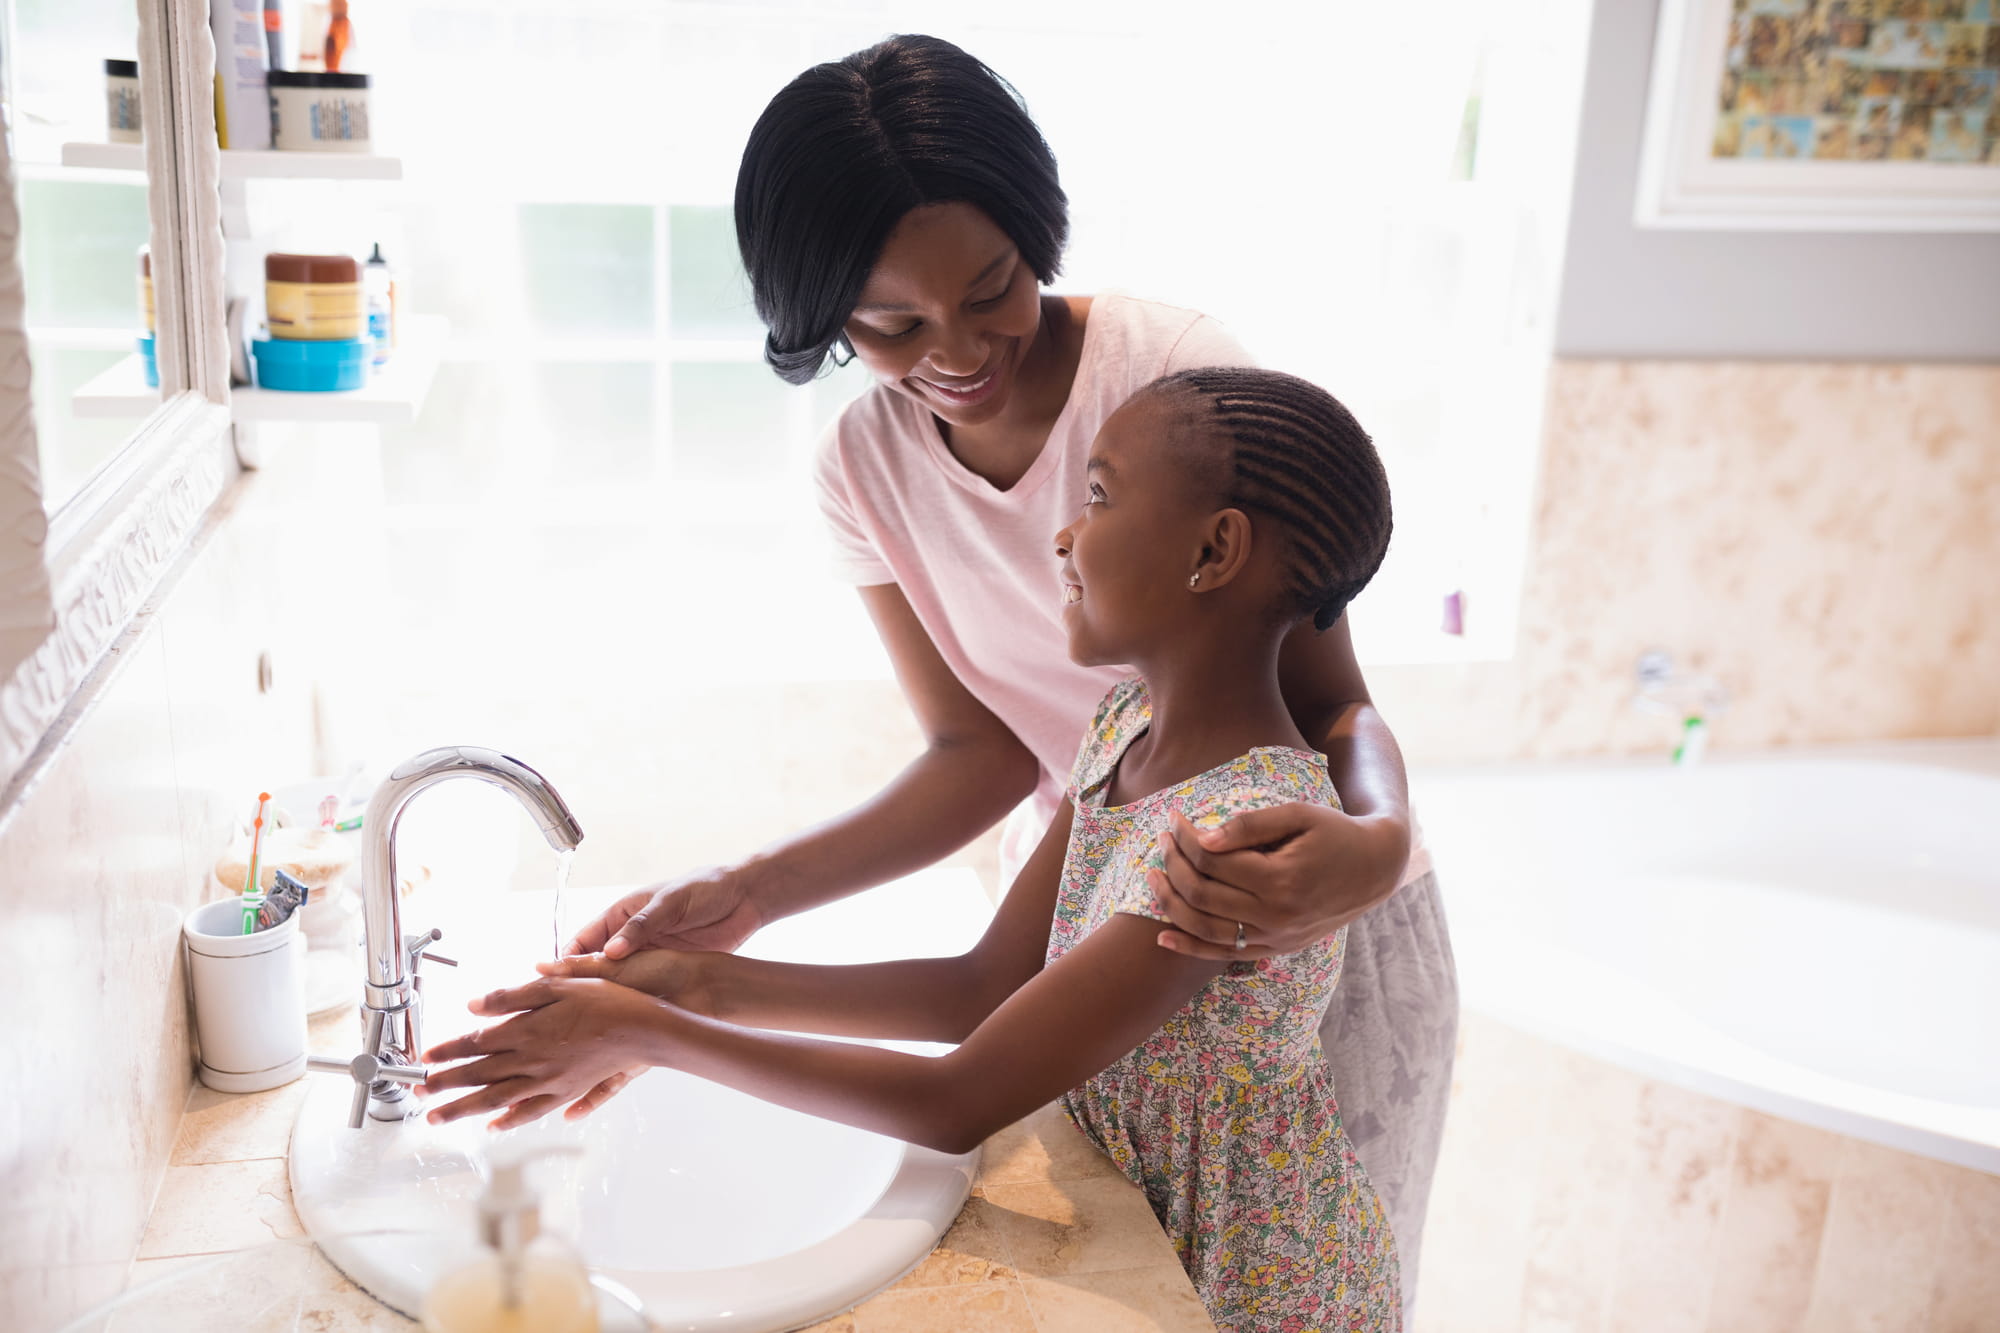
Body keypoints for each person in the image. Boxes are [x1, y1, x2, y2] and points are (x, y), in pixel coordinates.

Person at [565, 33, 1458, 1302]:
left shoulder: (1173, 395)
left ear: (1036, 230)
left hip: (1291, 908)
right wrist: (745, 900)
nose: (958, 348)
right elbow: (978, 752)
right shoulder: (867, 473)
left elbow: (1327, 695)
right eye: (889, 322)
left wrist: (1372, 834)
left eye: (991, 287)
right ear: (823, 314)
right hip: (1094, 903)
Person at [423, 367, 1405, 1333]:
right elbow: (986, 985)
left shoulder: (1233, 838)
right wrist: (693, 983)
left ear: (1214, 547)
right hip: (1150, 1228)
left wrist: (648, 1033)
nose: (1063, 534)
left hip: (1251, 1283)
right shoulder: (1124, 729)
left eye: (1098, 497)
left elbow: (958, 1098)